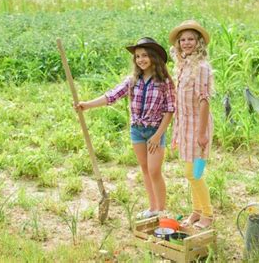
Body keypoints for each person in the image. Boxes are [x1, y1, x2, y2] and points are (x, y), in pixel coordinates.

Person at [75, 37, 175, 219]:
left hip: (154, 131)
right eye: (137, 56)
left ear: (154, 57)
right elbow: (112, 96)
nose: (141, 60)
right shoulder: (132, 80)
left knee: (154, 171)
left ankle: (161, 210)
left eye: (145, 55)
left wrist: (158, 134)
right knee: (145, 169)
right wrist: (87, 105)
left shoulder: (164, 81)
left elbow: (169, 110)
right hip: (137, 130)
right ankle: (152, 208)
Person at [169, 20, 214, 229]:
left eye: (191, 39)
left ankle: (208, 214)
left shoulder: (202, 67)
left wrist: (202, 133)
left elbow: (204, 100)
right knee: (189, 172)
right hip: (185, 126)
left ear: (198, 43)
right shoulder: (183, 65)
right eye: (183, 39)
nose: (186, 43)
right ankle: (196, 211)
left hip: (199, 127)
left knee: (194, 173)